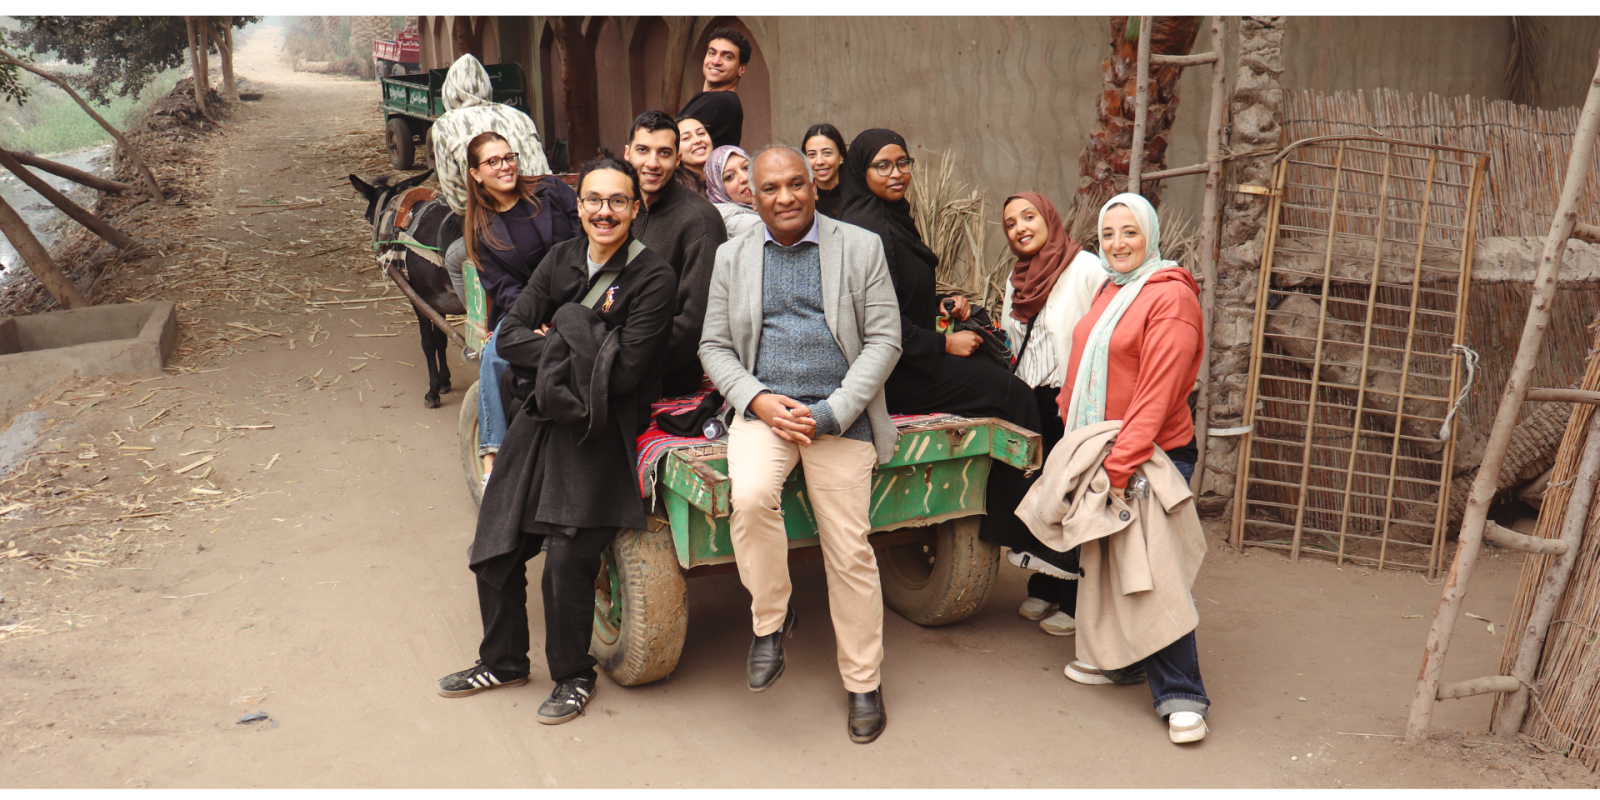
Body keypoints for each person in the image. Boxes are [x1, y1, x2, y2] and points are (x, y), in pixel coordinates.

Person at [438, 157, 678, 725]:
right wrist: (583, 340)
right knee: (495, 541)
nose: (604, 211)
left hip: (600, 427)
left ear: (635, 208)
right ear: (579, 205)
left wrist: (562, 325)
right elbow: (512, 333)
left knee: (568, 557)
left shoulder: (653, 277)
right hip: (543, 419)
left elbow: (623, 375)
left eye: (618, 201)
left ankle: (573, 675)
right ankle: (502, 661)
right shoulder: (560, 258)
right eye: (594, 199)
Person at [699, 145, 902, 744]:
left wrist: (834, 411)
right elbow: (714, 346)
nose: (784, 198)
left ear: (814, 186)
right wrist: (758, 400)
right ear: (751, 196)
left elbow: (886, 341)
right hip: (766, 411)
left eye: (795, 185)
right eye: (770, 189)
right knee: (752, 495)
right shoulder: (732, 255)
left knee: (849, 546)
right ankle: (771, 619)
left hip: (840, 416)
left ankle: (863, 682)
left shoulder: (859, 247)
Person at [1030, 192, 1210, 745]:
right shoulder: (1114, 286)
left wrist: (1121, 465)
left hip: (1148, 450)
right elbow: (1084, 362)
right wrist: (1072, 433)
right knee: (1108, 561)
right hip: (1102, 444)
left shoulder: (1170, 297)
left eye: (1129, 232)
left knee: (1150, 572)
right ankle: (1122, 661)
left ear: (1151, 235)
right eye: (1108, 234)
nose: (1118, 244)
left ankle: (1183, 694)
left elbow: (1157, 396)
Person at [837, 128, 1041, 547]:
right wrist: (942, 344)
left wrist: (941, 303)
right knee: (1013, 395)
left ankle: (1005, 514)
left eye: (903, 163)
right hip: (888, 374)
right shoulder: (868, 229)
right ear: (862, 170)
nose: (897, 174)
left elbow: (898, 295)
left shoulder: (891, 217)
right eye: (883, 166)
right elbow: (871, 320)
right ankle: (1020, 529)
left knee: (987, 367)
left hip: (909, 355)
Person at [997, 192, 1104, 636]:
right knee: (1040, 492)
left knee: (1072, 496)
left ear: (1048, 219)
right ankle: (1045, 580)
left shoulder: (1085, 268)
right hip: (1031, 401)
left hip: (1072, 401)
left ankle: (1077, 600)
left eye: (1028, 216)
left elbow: (1104, 331)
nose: (1020, 227)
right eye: (1010, 223)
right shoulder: (1016, 278)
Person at [461, 132, 581, 484]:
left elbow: (583, 234)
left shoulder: (550, 191)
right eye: (493, 161)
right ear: (476, 174)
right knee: (495, 355)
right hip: (526, 309)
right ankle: (493, 457)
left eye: (509, 157)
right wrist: (536, 317)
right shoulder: (479, 226)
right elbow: (502, 287)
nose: (505, 166)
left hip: (578, 292)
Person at [623, 111, 729, 397]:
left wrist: (623, 367)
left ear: (678, 159)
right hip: (612, 353)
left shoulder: (700, 220)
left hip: (665, 373)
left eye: (664, 153)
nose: (652, 163)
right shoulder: (621, 209)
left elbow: (692, 325)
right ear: (627, 153)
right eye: (643, 150)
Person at [677, 27, 750, 149]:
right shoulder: (716, 100)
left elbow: (668, 142)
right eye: (712, 53)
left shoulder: (720, 102)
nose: (716, 61)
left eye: (727, 57)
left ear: (741, 69)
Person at [704, 144, 763, 238]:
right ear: (719, 189)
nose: (744, 178)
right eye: (730, 176)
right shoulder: (748, 224)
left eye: (746, 167)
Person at [802, 123, 847, 219]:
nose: (819, 161)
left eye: (827, 153)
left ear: (841, 156)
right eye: (812, 155)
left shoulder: (855, 194)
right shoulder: (802, 196)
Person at [675, 115, 713, 195]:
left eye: (701, 133)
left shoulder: (729, 175)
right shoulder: (676, 191)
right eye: (686, 138)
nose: (697, 140)